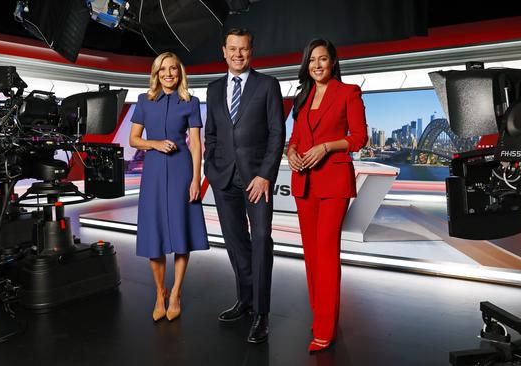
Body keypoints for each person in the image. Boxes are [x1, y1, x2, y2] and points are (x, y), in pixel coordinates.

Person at [204, 28, 285, 344]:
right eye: (233, 49)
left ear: (252, 51)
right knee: (236, 243)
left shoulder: (268, 85)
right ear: (223, 51)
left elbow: (277, 134)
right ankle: (245, 300)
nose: (239, 54)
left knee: (261, 239)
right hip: (223, 179)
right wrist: (211, 169)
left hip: (257, 181)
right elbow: (211, 134)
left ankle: (261, 313)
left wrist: (265, 175)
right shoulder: (212, 89)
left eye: (244, 49)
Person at [286, 39, 368, 352]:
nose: (317, 65)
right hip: (303, 181)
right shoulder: (303, 96)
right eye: (312, 61)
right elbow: (295, 137)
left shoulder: (348, 93)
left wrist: (326, 146)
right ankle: (320, 316)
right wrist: (292, 151)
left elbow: (359, 138)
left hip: (333, 181)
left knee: (326, 251)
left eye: (323, 59)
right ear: (306, 65)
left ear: (333, 61)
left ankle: (324, 328)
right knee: (311, 254)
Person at [129, 52, 209, 322]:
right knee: (154, 235)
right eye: (163, 69)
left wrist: (196, 179)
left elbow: (196, 144)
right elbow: (134, 139)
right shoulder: (144, 100)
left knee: (180, 231)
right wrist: (156, 143)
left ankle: (175, 292)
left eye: (174, 69)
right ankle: (158, 292)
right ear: (156, 73)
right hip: (152, 172)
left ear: (180, 73)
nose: (169, 74)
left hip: (181, 170)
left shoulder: (190, 101)